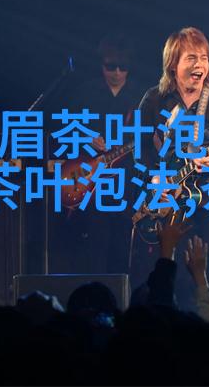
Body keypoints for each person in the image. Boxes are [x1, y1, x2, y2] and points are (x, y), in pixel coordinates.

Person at [134, 27, 209, 318]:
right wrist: (155, 177)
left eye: (204, 58)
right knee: (175, 261)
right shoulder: (154, 100)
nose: (200, 65)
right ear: (173, 63)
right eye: (192, 58)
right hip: (173, 194)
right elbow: (140, 150)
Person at [49, 33, 147, 274]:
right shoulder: (85, 92)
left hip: (126, 181)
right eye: (110, 66)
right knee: (95, 242)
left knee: (122, 243)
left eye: (123, 67)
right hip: (91, 181)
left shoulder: (142, 97)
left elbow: (150, 138)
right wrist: (86, 138)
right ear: (101, 64)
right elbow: (60, 130)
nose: (116, 73)